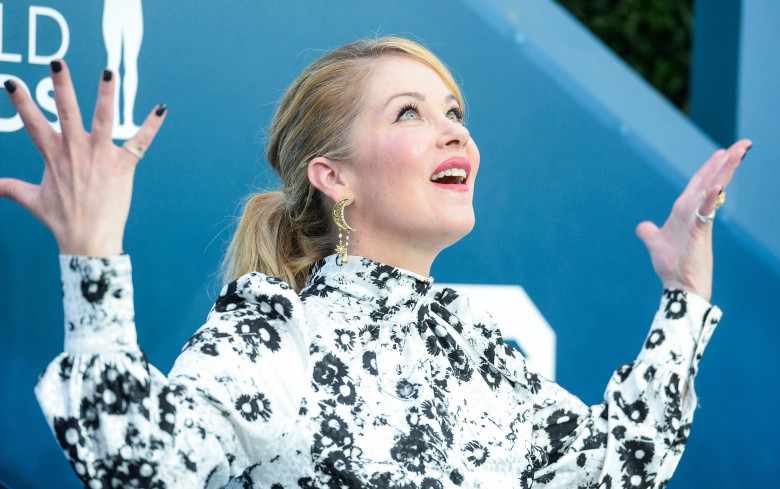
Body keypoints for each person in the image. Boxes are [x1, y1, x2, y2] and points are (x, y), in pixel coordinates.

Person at [0, 37, 749, 489]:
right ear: (335, 176)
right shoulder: (276, 332)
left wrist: (683, 299)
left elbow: (610, 471)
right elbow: (146, 468)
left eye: (454, 110)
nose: (454, 132)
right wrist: (92, 257)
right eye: (409, 113)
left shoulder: (483, 355)